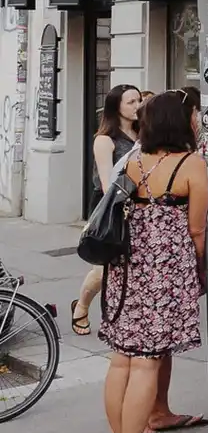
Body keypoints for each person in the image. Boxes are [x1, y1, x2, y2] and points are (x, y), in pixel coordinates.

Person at [99, 91, 207, 433]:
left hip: (125, 268)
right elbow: (198, 229)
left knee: (121, 361)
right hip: (163, 272)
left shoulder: (133, 159)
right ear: (179, 122)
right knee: (147, 361)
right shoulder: (190, 163)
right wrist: (200, 268)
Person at [73, 85, 143, 337]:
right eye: (131, 102)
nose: (138, 106)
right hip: (109, 205)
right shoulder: (105, 140)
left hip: (139, 205)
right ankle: (82, 305)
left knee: (132, 266)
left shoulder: (143, 134)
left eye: (139, 100)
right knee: (103, 268)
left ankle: (128, 317)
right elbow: (106, 182)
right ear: (117, 107)